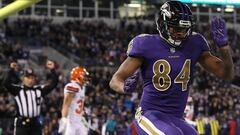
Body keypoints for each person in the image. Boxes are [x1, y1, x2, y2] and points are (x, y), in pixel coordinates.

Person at [109, 1, 234, 135]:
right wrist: (124, 87)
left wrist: (224, 49)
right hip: (149, 115)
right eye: (176, 28)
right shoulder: (146, 44)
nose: (181, 33)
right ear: (163, 24)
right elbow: (115, 80)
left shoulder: (195, 43)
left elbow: (226, 74)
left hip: (176, 118)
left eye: (184, 29)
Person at [2, 60, 58, 135]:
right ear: (23, 78)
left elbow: (53, 84)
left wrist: (52, 70)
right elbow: (6, 83)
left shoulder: (39, 90)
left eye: (32, 78)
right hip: (22, 124)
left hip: (35, 123)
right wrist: (11, 70)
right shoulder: (18, 90)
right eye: (28, 77)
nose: (31, 80)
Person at [58, 67, 89, 135]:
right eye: (84, 76)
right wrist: (64, 119)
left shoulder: (82, 88)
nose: (86, 78)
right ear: (78, 77)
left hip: (79, 121)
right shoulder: (72, 86)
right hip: (70, 121)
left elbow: (77, 103)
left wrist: (82, 114)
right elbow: (66, 104)